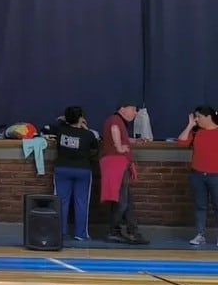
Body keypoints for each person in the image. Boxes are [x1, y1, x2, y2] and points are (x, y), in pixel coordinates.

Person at [99, 101, 148, 244]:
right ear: (122, 109)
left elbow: (120, 136)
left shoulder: (118, 122)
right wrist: (119, 147)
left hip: (118, 164)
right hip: (117, 164)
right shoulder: (115, 120)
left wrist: (135, 141)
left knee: (125, 201)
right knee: (122, 201)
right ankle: (114, 231)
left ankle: (132, 232)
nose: (135, 112)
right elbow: (114, 130)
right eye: (133, 109)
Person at [51, 106, 99, 241]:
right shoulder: (88, 135)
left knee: (61, 201)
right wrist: (84, 127)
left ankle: (60, 232)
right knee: (82, 202)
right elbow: (95, 146)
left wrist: (65, 120)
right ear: (81, 118)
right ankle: (81, 234)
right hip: (82, 170)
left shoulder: (60, 130)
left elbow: (56, 125)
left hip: (62, 169)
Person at [176, 105, 218, 246]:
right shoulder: (196, 133)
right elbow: (181, 142)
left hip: (216, 176)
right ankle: (200, 235)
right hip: (198, 175)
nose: (196, 119)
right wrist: (190, 126)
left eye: (199, 117)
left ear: (208, 117)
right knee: (200, 206)